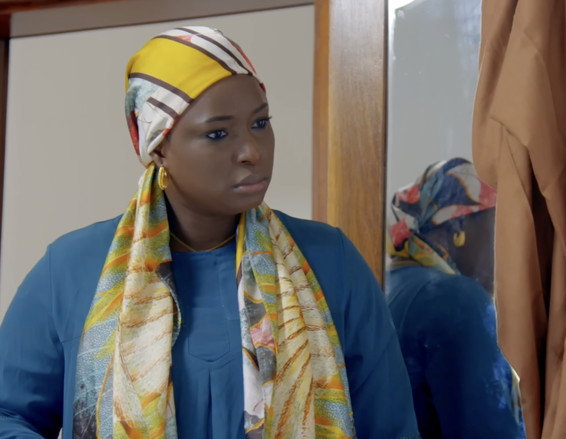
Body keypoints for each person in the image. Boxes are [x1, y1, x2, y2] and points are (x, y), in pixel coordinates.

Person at [0, 26, 418, 439]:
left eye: (260, 123)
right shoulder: (72, 270)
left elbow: (390, 426)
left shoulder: (329, 260)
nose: (252, 151)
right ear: (159, 147)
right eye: (218, 134)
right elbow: (7, 414)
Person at [387, 158, 525, 438]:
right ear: (458, 227)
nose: (507, 247)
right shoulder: (458, 299)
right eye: (498, 226)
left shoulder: (395, 282)